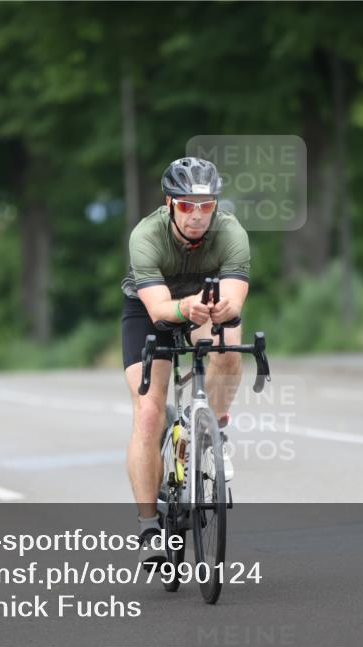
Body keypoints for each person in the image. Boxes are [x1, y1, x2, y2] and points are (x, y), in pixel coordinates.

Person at [121, 157, 250, 563]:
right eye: (187, 205)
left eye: (206, 205)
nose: (197, 215)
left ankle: (215, 430)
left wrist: (220, 310)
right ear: (170, 203)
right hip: (150, 312)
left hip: (206, 305)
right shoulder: (146, 235)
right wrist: (184, 308)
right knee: (148, 412)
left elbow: (233, 303)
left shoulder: (231, 233)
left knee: (228, 348)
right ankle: (147, 525)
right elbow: (159, 310)